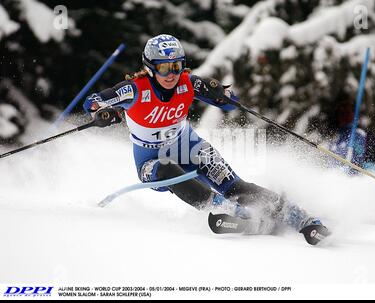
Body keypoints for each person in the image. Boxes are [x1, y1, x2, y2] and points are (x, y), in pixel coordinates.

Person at [83, 34, 330, 244]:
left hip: (190, 147)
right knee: (169, 169)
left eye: (177, 67)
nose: (171, 74)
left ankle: (301, 218)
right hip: (152, 161)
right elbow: (93, 102)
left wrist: (223, 95)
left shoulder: (188, 84)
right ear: (150, 67)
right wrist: (102, 113)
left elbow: (229, 104)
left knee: (236, 187)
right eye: (164, 68)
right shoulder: (135, 89)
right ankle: (226, 210)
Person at [327, 99, 375, 174]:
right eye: (342, 112)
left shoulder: (366, 135)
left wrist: (369, 172)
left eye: (348, 112)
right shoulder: (333, 136)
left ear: (355, 114)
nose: (345, 115)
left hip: (357, 179)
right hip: (335, 177)